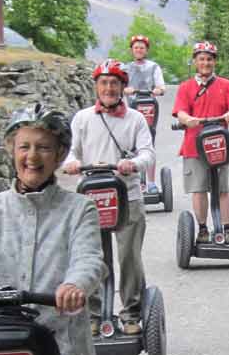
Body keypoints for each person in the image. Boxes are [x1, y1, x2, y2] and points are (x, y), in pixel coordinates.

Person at [0, 103, 106, 355]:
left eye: (44, 148)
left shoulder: (80, 209)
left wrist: (74, 284)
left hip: (62, 341)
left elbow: (88, 258)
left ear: (59, 154)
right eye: (24, 147)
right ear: (12, 150)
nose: (32, 157)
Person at [63, 59, 155, 336]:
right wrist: (71, 163)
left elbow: (148, 153)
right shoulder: (82, 118)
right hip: (91, 197)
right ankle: (93, 314)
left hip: (128, 196)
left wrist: (134, 164)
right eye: (103, 82)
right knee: (93, 257)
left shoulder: (136, 119)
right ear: (96, 87)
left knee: (129, 257)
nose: (109, 88)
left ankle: (131, 313)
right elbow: (71, 151)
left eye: (114, 83)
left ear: (123, 87)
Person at [172, 41, 229, 245]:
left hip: (218, 146)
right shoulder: (186, 87)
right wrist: (187, 119)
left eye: (209, 59)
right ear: (195, 61)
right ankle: (202, 229)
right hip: (194, 147)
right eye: (201, 59)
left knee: (222, 188)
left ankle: (228, 230)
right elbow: (181, 111)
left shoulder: (226, 85)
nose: (205, 63)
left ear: (214, 62)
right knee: (199, 188)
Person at [122, 34, 166, 194]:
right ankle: (135, 182)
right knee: (131, 145)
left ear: (146, 50)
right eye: (136, 47)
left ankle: (151, 182)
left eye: (142, 47)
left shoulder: (153, 67)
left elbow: (161, 86)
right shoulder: (125, 68)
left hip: (149, 108)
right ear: (132, 50)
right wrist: (124, 89)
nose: (139, 50)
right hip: (131, 109)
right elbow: (120, 86)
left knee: (149, 144)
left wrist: (158, 90)